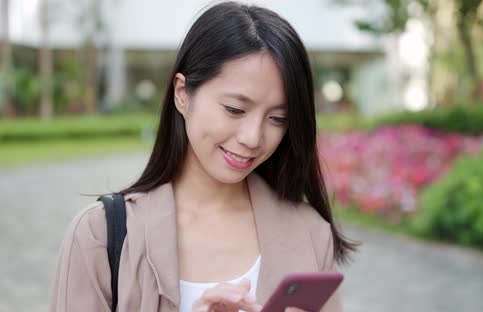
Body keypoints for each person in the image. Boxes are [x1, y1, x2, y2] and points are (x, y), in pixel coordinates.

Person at [49, 1, 356, 311]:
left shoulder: (310, 234)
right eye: (235, 109)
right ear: (182, 94)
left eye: (277, 119)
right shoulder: (99, 235)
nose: (252, 138)